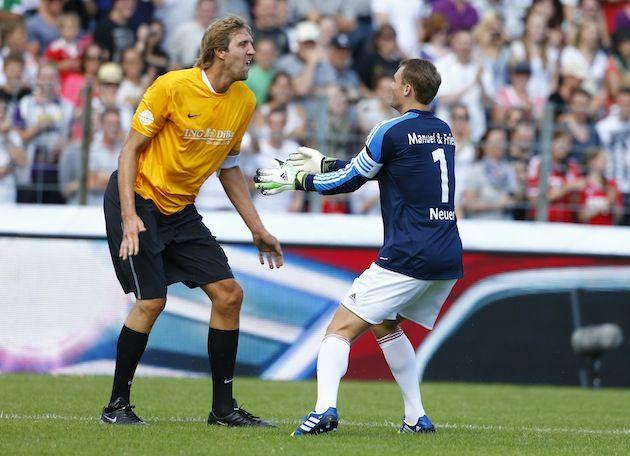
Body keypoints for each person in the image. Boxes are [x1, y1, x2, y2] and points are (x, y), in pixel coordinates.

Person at [254, 58, 463, 435]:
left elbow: (351, 180)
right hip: (446, 251)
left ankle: (323, 412)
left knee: (340, 329)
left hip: (408, 253)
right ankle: (416, 417)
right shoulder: (443, 130)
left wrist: (300, 179)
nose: (388, 85)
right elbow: (383, 168)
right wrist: (326, 162)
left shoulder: (390, 129)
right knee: (385, 324)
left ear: (407, 89)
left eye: (394, 80)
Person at [100, 15, 282, 427]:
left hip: (180, 210)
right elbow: (129, 152)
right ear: (220, 51)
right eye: (243, 44)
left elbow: (230, 168)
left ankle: (222, 410)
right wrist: (129, 217)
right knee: (152, 302)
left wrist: (258, 229)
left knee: (230, 294)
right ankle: (116, 407)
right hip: (139, 200)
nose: (252, 51)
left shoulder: (244, 100)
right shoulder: (172, 86)